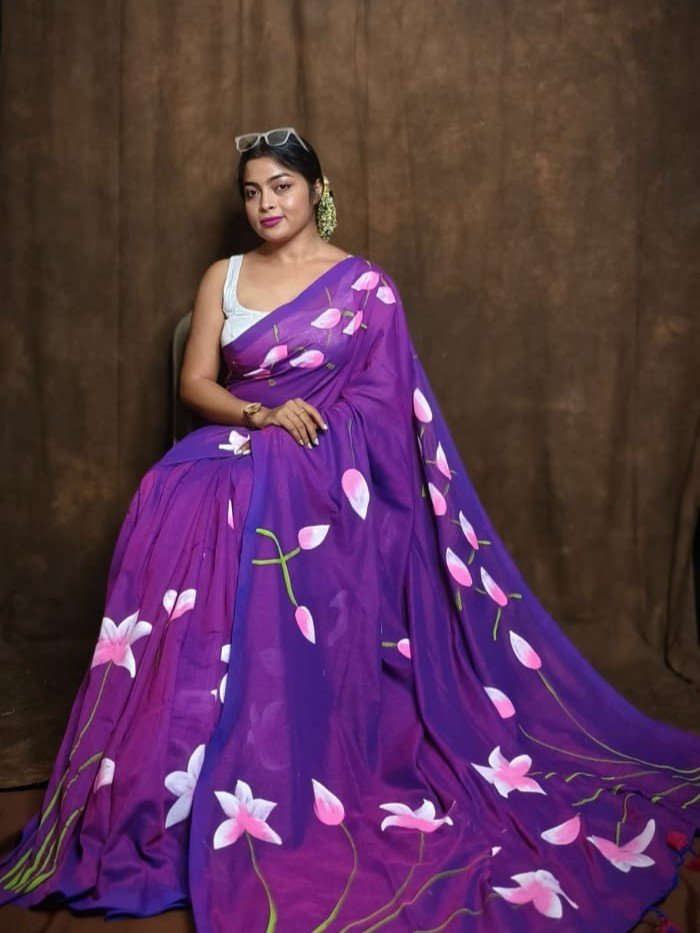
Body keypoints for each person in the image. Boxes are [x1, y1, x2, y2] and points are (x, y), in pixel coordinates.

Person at [0, 126, 697, 933]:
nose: (266, 204)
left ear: (317, 190)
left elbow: (382, 406)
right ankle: (173, 759)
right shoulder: (223, 276)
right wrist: (262, 417)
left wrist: (304, 438)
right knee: (176, 491)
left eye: (282, 187)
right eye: (252, 192)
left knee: (241, 499)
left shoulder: (366, 288)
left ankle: (284, 751)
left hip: (325, 464)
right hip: (241, 441)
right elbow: (197, 382)